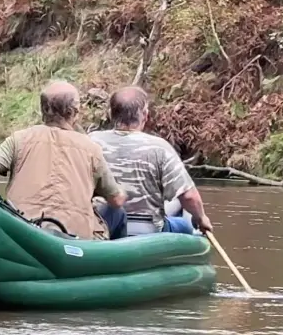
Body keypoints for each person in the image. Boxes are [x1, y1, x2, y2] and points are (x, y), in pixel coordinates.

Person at [0, 80, 125, 238]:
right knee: (118, 213)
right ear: (75, 112)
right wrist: (122, 191)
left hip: (20, 232)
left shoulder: (19, 139)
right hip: (75, 241)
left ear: (43, 109)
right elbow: (117, 200)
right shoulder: (92, 149)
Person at [90, 86, 210, 237]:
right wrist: (201, 219)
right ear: (145, 115)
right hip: (149, 230)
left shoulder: (91, 141)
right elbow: (189, 197)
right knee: (185, 224)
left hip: (102, 226)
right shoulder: (160, 147)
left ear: (110, 114)